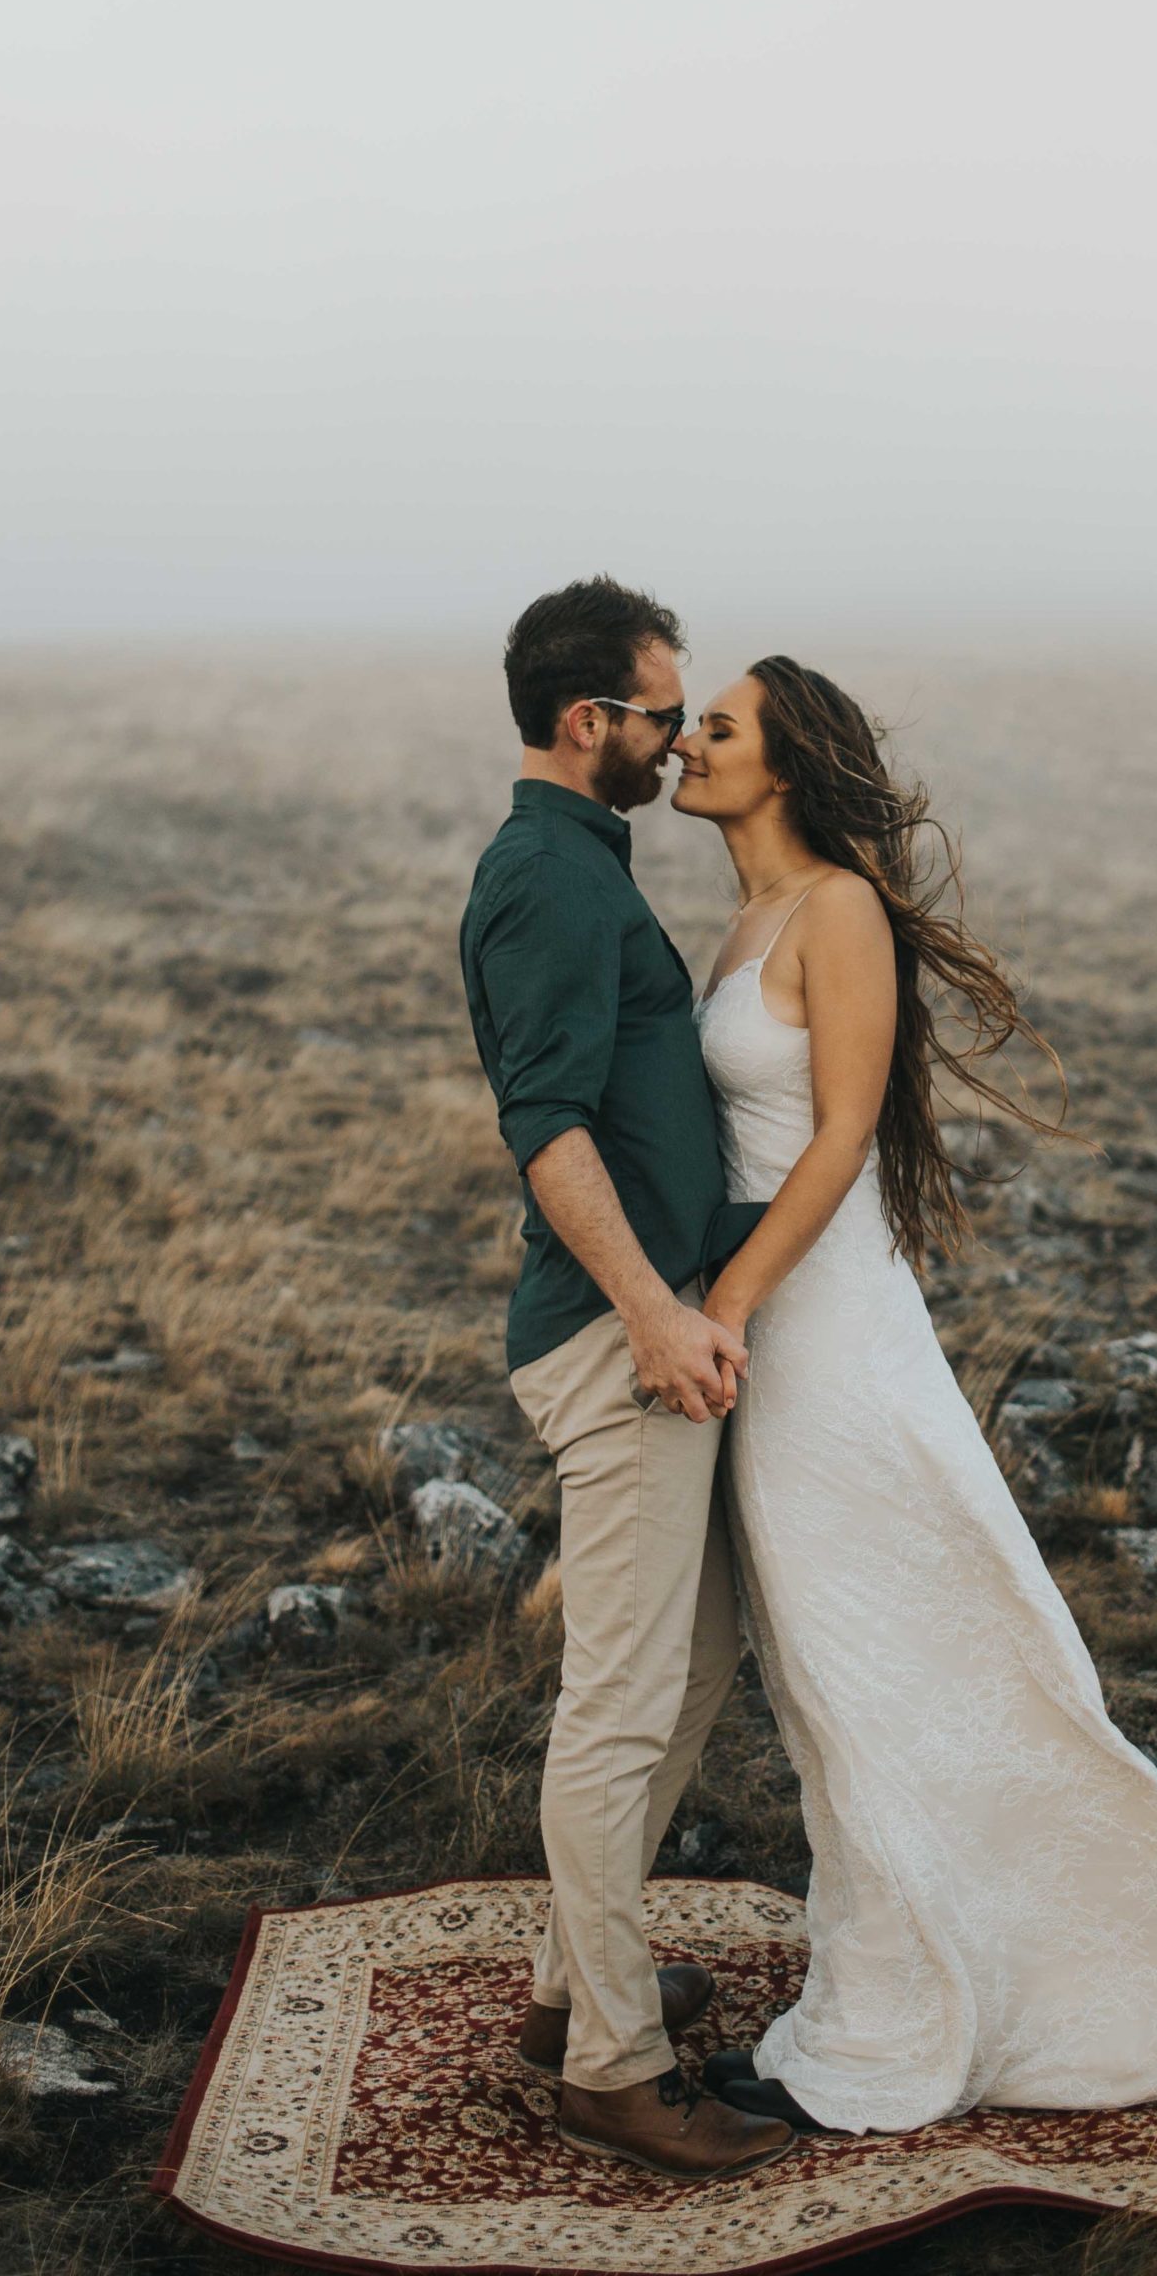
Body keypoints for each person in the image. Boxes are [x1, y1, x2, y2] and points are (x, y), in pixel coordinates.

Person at [668, 655, 1157, 2137]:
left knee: (896, 1651)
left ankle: (962, 2001)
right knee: (829, 1672)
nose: (689, 740)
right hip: (771, 1328)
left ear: (789, 762)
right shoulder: (748, 917)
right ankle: (885, 1982)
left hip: (825, 1331)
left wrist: (729, 1304)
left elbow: (840, 1140)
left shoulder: (838, 911)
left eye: (720, 725)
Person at [458, 579, 795, 2183]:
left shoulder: (584, 861)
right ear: (589, 719)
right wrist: (655, 1314)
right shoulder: (544, 877)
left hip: (642, 1324)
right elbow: (545, 1123)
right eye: (662, 713)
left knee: (697, 1661)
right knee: (617, 1705)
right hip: (614, 1340)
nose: (675, 739)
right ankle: (611, 2066)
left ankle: (567, 1986)